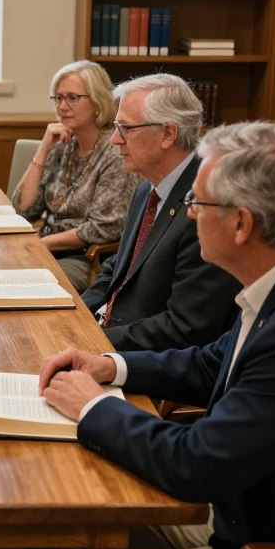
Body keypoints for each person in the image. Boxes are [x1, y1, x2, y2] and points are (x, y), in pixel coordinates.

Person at [40, 121, 275, 549]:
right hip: (238, 504)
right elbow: (215, 363)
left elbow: (195, 463)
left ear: (242, 223)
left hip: (261, 540)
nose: (188, 212)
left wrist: (93, 404)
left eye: (196, 201)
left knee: (58, 522)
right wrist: (111, 366)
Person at [82, 73, 240, 350]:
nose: (114, 140)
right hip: (108, 332)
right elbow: (120, 267)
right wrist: (78, 315)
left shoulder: (205, 206)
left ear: (167, 134)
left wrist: (93, 342)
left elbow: (184, 328)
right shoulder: (148, 187)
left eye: (126, 129)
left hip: (142, 359)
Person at [11, 60, 137, 292]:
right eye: (58, 98)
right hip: (49, 246)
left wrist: (41, 244)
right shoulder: (63, 146)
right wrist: (43, 148)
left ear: (98, 100)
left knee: (18, 282)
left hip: (86, 258)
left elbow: (103, 227)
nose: (63, 106)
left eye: (73, 98)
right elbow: (23, 208)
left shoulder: (115, 151)